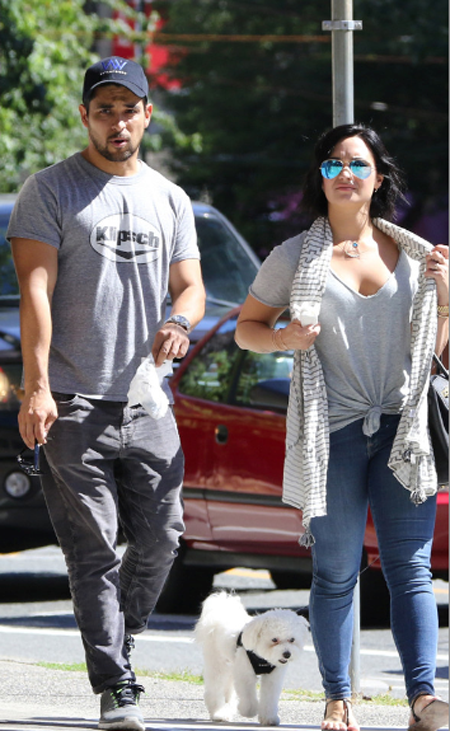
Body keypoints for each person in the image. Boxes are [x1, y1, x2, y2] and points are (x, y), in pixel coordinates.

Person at [8, 56, 205, 731]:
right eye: (104, 110)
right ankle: (117, 684)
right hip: (71, 399)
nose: (117, 122)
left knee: (164, 537)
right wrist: (37, 389)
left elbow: (191, 286)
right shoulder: (50, 189)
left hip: (147, 399)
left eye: (128, 109)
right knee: (94, 547)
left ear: (147, 114)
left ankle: (119, 635)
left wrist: (180, 322)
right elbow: (35, 292)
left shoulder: (170, 198)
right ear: (85, 116)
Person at [235, 123, 449, 731]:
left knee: (411, 570)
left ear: (378, 178)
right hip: (332, 434)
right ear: (321, 178)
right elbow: (246, 329)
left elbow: (437, 355)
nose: (345, 174)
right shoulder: (293, 257)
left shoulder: (417, 255)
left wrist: (447, 297)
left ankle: (422, 699)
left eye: (358, 164)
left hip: (405, 432)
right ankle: (337, 698)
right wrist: (282, 338)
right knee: (336, 573)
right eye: (333, 164)